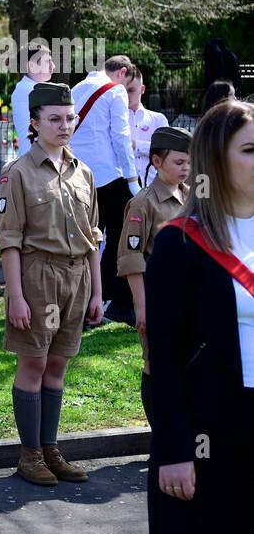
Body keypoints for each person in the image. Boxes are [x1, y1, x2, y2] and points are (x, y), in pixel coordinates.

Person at [145, 99, 254, 534]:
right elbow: (161, 360)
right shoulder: (179, 245)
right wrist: (175, 448)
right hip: (210, 431)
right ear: (215, 159)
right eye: (251, 150)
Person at [0, 81, 103, 486]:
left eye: (70, 117)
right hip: (38, 276)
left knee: (58, 364)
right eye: (55, 119)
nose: (64, 125)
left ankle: (49, 447)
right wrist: (16, 297)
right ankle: (30, 455)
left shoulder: (84, 173)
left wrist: (97, 290)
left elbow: (93, 235)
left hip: (76, 276)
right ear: (34, 123)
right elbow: (9, 241)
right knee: (34, 362)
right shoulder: (18, 173)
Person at [116, 126, 190, 423]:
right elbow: (131, 257)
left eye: (189, 162)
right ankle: (159, 434)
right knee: (156, 364)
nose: (186, 168)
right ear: (157, 162)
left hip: (189, 297)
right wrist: (142, 305)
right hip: (157, 298)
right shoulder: (143, 203)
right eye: (178, 162)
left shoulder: (192, 197)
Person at [69, 55, 138, 323]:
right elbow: (120, 136)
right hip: (110, 176)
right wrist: (132, 180)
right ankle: (115, 297)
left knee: (85, 240)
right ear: (122, 73)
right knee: (120, 239)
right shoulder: (116, 90)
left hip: (80, 176)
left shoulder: (76, 89)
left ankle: (86, 300)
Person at [124, 65, 168, 186]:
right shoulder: (113, 120)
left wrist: (135, 145)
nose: (126, 95)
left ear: (142, 89)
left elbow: (165, 151)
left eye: (131, 90)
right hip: (123, 189)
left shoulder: (158, 119)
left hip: (153, 186)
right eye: (123, 90)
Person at [11, 44, 53, 158]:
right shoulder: (31, 90)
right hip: (36, 160)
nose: (53, 66)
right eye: (47, 62)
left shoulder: (29, 88)